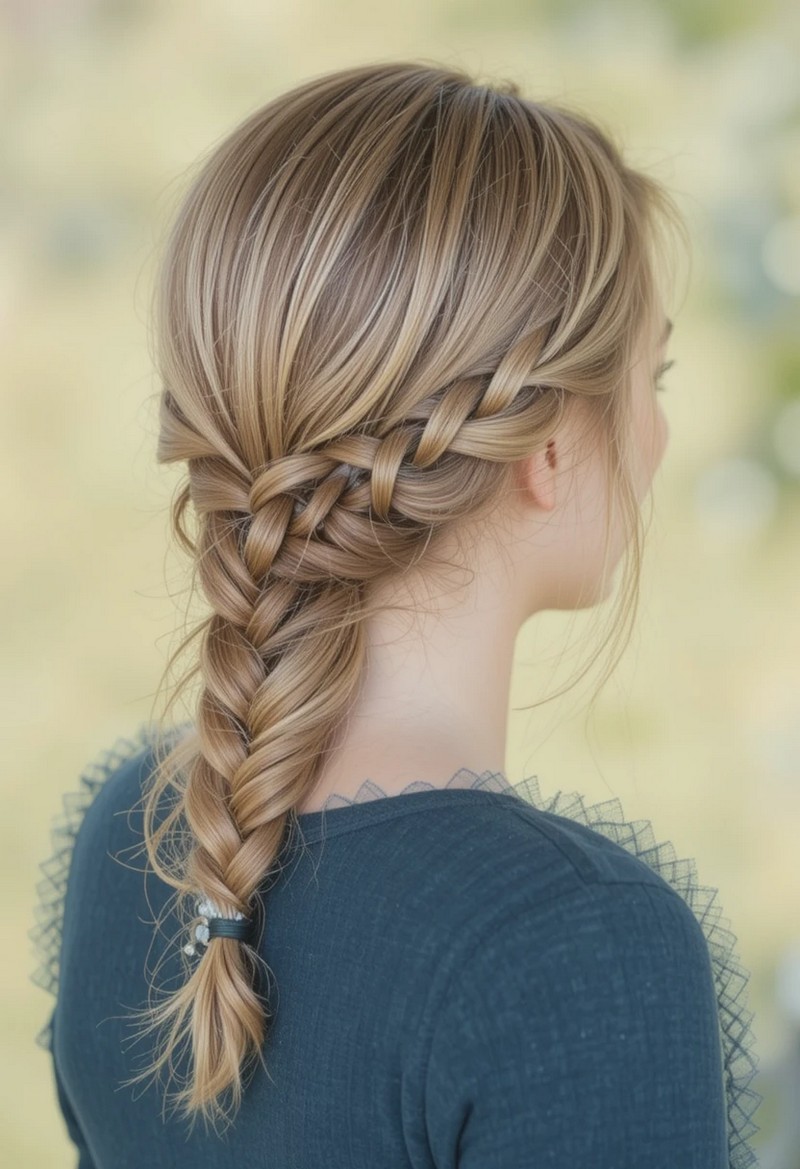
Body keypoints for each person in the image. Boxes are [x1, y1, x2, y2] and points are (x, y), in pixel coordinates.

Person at [30, 60, 763, 1167]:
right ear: (551, 448)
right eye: (647, 379)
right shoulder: (566, 945)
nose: (657, 438)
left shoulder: (139, 833)